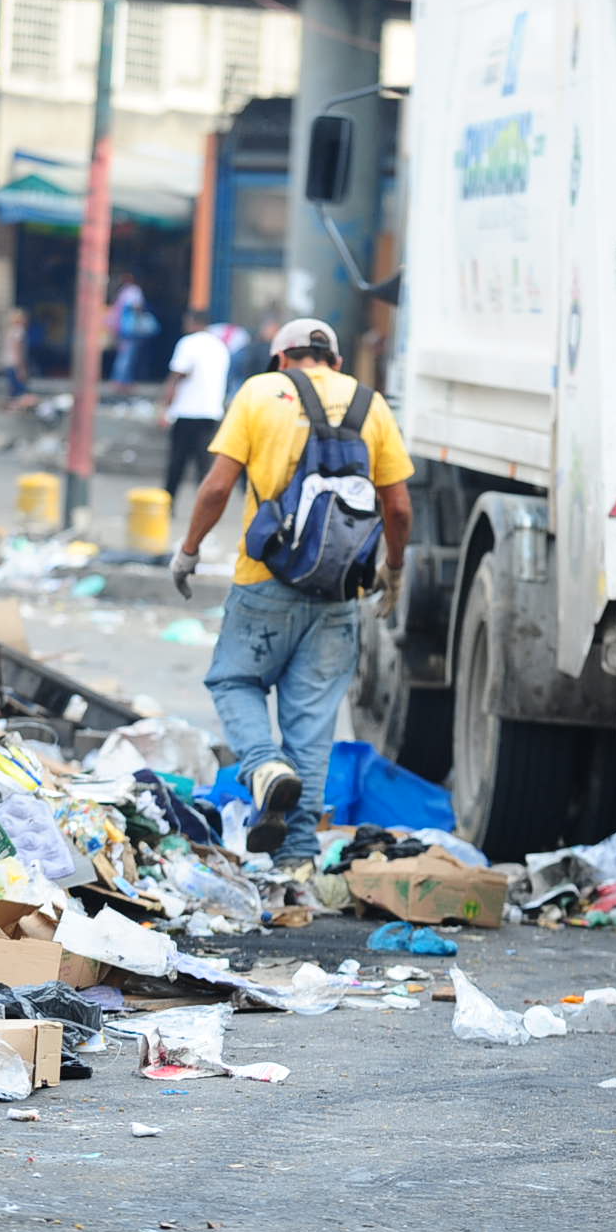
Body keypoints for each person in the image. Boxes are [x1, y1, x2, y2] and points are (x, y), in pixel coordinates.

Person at [170, 319, 415, 871]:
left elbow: (215, 485)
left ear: (281, 358)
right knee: (312, 724)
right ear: (336, 362)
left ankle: (262, 766)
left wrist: (188, 551)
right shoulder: (370, 404)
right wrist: (392, 571)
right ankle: (298, 859)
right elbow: (397, 508)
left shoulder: (260, 393)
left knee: (233, 680)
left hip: (264, 580)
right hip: (339, 592)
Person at [161, 309, 231, 508]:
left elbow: (177, 375)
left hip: (186, 412)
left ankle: (168, 504)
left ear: (192, 322)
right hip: (211, 412)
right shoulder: (220, 346)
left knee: (177, 463)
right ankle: (205, 507)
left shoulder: (188, 343)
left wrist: (165, 408)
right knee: (204, 466)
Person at [109, 273, 151, 386]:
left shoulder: (122, 292)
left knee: (123, 354)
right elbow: (137, 306)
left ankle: (121, 379)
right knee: (127, 355)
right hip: (130, 329)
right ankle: (122, 381)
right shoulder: (134, 291)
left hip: (121, 327)